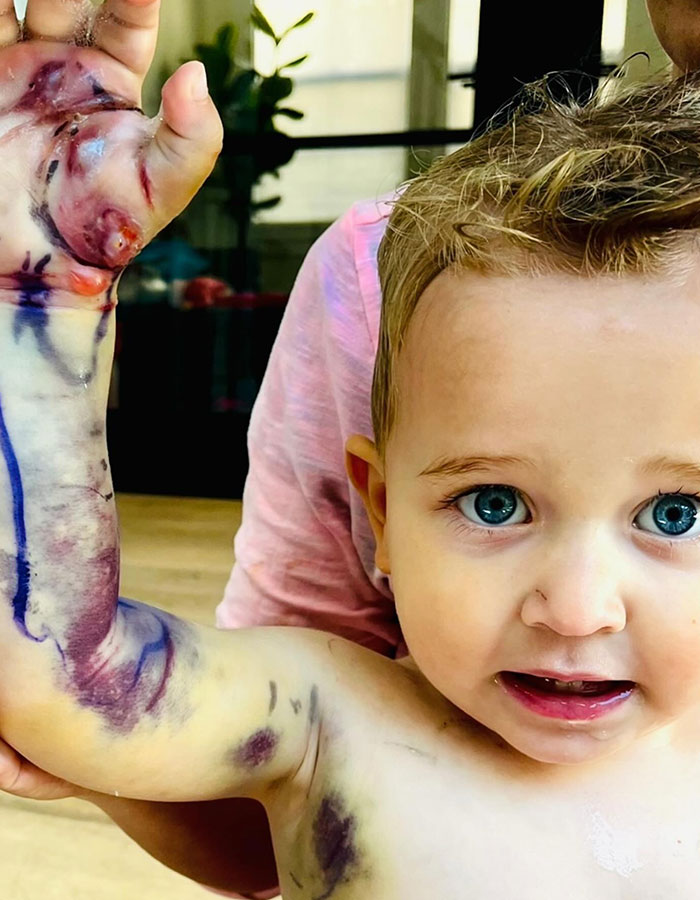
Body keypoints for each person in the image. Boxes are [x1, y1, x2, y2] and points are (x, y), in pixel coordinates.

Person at [0, 3, 699, 900]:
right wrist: (37, 290)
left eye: (675, 514)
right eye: (494, 504)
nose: (576, 609)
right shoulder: (325, 713)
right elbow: (66, 675)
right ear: (382, 511)